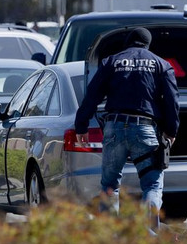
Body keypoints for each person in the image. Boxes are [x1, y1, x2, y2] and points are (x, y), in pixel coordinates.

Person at [74, 27, 179, 232]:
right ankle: (149, 236)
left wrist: (81, 126)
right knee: (152, 185)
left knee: (110, 185)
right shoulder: (161, 64)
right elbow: (172, 102)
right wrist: (171, 130)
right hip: (145, 129)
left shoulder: (111, 62)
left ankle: (111, 237)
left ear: (128, 42)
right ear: (147, 45)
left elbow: (92, 96)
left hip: (114, 128)